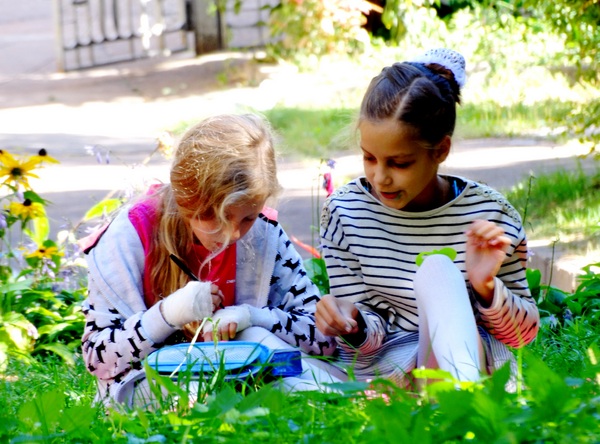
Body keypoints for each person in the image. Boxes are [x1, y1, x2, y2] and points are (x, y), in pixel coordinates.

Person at [315, 48, 539, 388]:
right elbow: (360, 345)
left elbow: (522, 336)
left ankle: (462, 396)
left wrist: (486, 288)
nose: (380, 177)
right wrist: (352, 322)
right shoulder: (345, 213)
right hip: (393, 379)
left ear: (441, 151)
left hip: (475, 370)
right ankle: (457, 404)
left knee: (438, 270)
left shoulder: (490, 216)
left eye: (399, 163)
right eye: (369, 158)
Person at [81, 113, 338, 407]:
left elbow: (323, 338)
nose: (233, 234)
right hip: (155, 380)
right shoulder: (128, 239)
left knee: (254, 334)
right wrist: (166, 315)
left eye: (248, 217)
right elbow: (98, 360)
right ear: (188, 202)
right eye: (217, 218)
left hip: (245, 372)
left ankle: (324, 398)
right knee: (195, 393)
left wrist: (253, 316)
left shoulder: (264, 234)